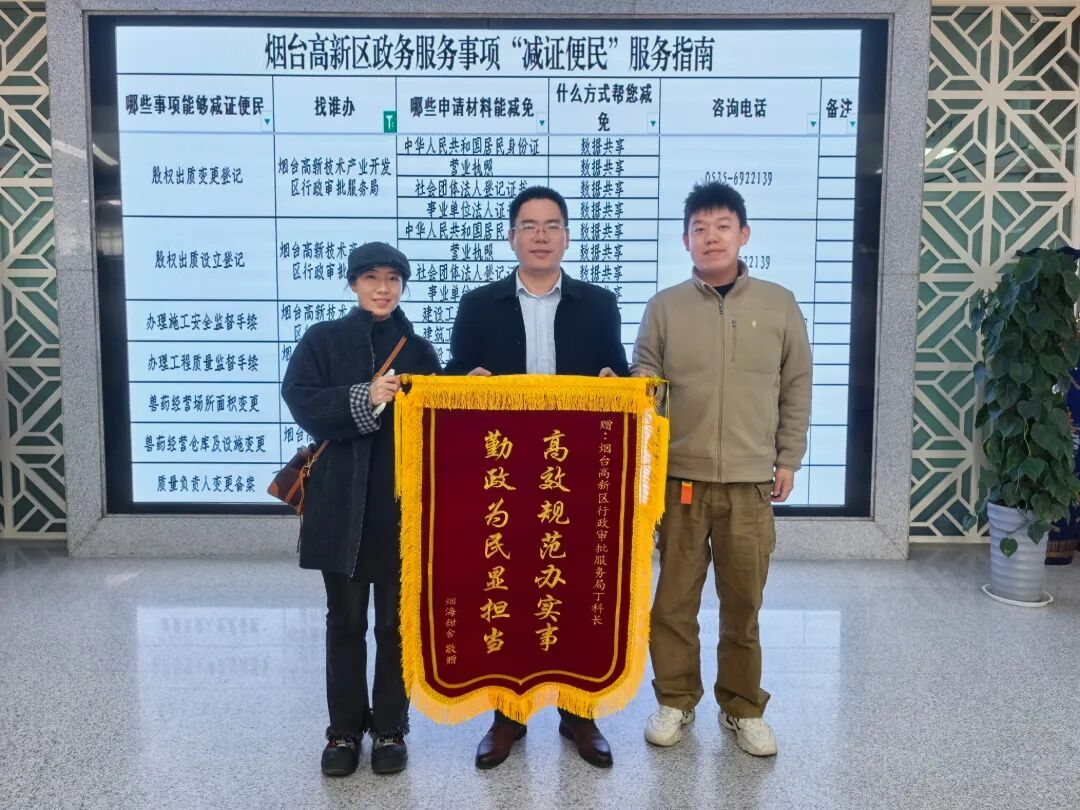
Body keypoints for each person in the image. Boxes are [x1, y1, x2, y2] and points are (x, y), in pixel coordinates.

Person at [445, 185, 628, 769]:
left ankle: (579, 713)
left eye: (552, 225)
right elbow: (453, 377)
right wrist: (464, 384)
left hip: (576, 474)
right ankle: (508, 715)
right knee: (508, 587)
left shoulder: (598, 303)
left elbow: (619, 376)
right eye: (529, 225)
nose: (541, 236)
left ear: (567, 236)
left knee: (575, 588)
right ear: (511, 237)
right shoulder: (478, 304)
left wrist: (615, 382)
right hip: (505, 473)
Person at [632, 182, 811, 757]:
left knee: (743, 604)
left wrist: (788, 457)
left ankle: (742, 708)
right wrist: (635, 390)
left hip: (750, 483)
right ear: (685, 240)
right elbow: (645, 378)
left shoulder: (779, 304)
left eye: (722, 226)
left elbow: (796, 385)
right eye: (700, 228)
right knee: (673, 604)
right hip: (680, 481)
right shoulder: (664, 307)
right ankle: (675, 700)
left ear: (744, 234)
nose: (711, 237)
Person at [281, 242, 440, 776]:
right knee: (345, 621)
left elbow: (437, 428)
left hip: (401, 505)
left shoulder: (419, 352)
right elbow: (301, 399)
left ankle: (391, 727)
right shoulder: (323, 339)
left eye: (393, 278)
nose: (383, 288)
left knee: (396, 625)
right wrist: (365, 396)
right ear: (352, 284)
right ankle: (344, 731)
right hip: (340, 502)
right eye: (371, 277)